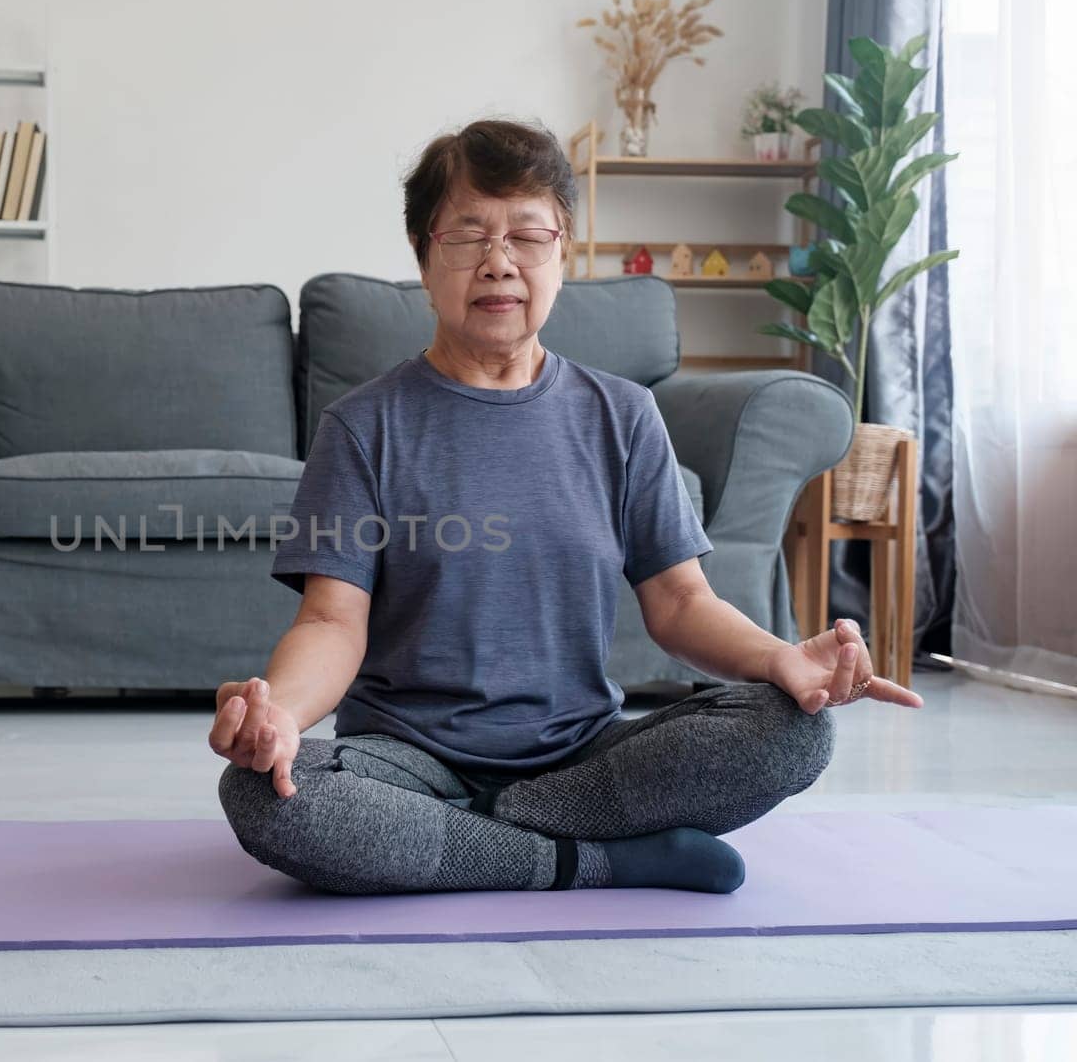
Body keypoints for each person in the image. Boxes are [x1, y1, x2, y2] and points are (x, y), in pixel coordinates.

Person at [210, 117, 925, 896]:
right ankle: (594, 857)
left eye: (527, 235)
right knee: (264, 793)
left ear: (562, 253)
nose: (498, 263)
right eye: (467, 236)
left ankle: (480, 836)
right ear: (423, 257)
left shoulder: (621, 416)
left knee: (794, 731)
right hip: (408, 760)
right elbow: (330, 622)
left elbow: (682, 603)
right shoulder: (362, 426)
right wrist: (278, 714)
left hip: (582, 758)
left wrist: (780, 657)